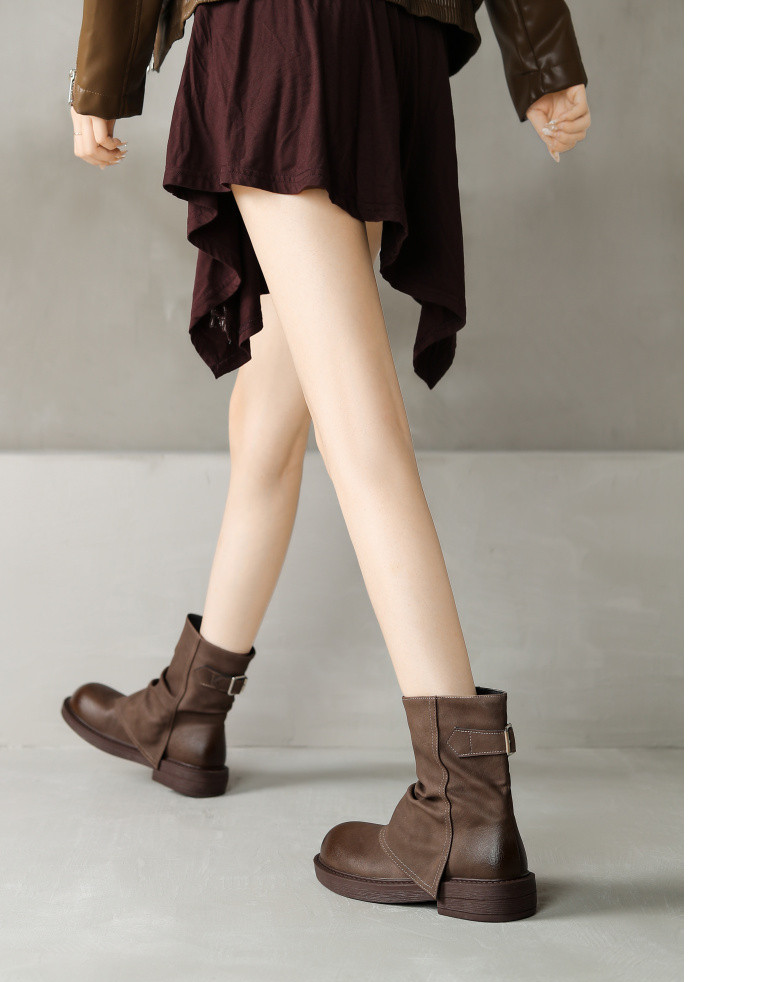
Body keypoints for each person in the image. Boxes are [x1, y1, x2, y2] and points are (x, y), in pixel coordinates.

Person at [60, 0, 590, 922]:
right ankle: (188, 713)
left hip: (281, 37)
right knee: (272, 409)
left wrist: (101, 73)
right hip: (388, 42)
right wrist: (544, 57)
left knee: (358, 428)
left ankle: (464, 807)